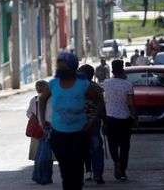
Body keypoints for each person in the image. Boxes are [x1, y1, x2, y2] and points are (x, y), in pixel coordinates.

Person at [39, 52, 105, 190]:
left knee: (76, 170)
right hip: (58, 135)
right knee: (65, 172)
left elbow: (99, 102)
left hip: (79, 133)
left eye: (64, 66)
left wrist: (91, 122)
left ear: (72, 67)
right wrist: (42, 119)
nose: (61, 69)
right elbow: (42, 99)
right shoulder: (53, 84)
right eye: (59, 66)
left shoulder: (83, 85)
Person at [102, 60, 138, 181]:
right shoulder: (128, 85)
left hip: (110, 118)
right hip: (124, 119)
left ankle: (116, 161)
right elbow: (131, 104)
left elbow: (103, 100)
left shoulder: (106, 83)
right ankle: (122, 171)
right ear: (122, 70)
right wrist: (135, 117)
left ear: (112, 70)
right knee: (124, 146)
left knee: (112, 144)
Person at [78, 64, 105, 185]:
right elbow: (101, 106)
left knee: (77, 150)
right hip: (94, 122)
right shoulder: (97, 87)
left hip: (77, 124)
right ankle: (98, 174)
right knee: (96, 148)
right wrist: (104, 121)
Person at [26, 80, 54, 160]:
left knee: (38, 155)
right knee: (50, 155)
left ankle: (39, 169)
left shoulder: (34, 99)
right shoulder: (52, 99)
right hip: (50, 129)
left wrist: (32, 116)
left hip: (37, 130)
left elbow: (28, 113)